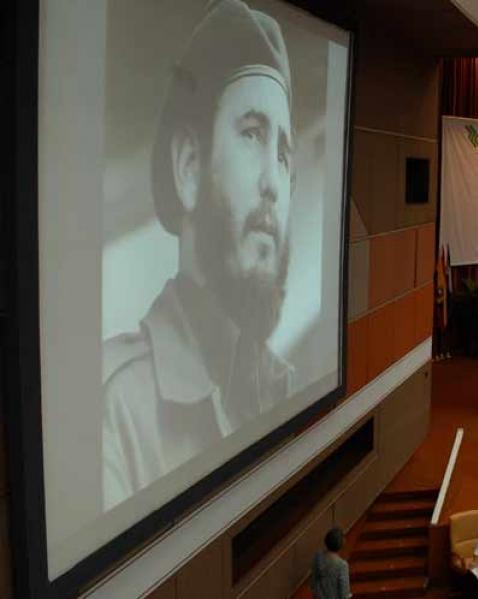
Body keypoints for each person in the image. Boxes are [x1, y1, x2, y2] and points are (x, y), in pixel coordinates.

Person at [102, 0, 296, 510]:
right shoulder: (113, 409)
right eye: (252, 134)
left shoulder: (286, 385)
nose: (274, 183)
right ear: (189, 167)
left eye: (284, 153)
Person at [310, 527, 351, 599]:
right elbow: (344, 594)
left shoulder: (318, 557)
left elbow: (313, 584)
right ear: (341, 545)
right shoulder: (342, 565)